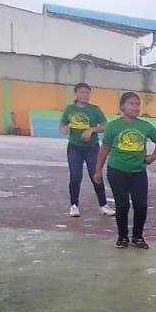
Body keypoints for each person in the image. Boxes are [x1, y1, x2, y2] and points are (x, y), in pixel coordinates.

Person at [93, 92, 156, 249]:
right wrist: (98, 170)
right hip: (117, 171)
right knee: (122, 205)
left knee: (141, 205)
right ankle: (122, 236)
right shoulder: (113, 126)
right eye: (131, 103)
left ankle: (138, 237)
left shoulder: (145, 126)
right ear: (122, 107)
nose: (135, 107)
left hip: (138, 172)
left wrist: (152, 157)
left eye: (137, 104)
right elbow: (104, 149)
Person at [59, 81, 112, 218]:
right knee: (75, 176)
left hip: (92, 148)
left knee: (96, 176)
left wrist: (92, 130)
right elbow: (63, 124)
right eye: (82, 92)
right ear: (76, 94)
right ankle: (74, 205)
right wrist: (64, 129)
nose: (85, 95)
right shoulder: (70, 109)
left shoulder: (94, 109)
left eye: (87, 93)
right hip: (74, 148)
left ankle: (103, 205)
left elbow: (105, 125)